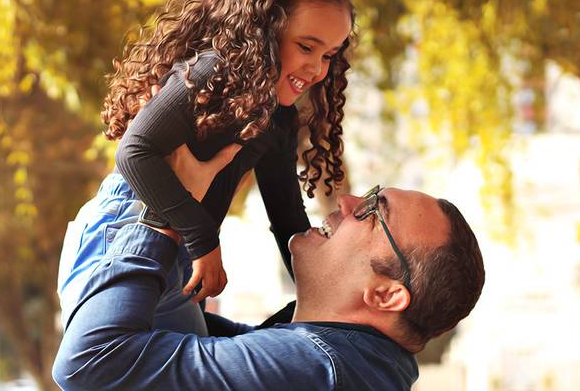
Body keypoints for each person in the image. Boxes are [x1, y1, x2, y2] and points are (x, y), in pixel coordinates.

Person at [57, 0, 354, 337]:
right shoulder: (210, 74)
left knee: (215, 355)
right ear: (265, 31)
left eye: (330, 55)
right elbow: (134, 153)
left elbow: (287, 218)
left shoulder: (277, 117)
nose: (317, 68)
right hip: (124, 230)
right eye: (307, 47)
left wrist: (329, 289)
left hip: (177, 246)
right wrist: (204, 243)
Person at [52, 144, 486, 391]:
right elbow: (167, 341)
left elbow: (89, 364)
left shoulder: (321, 371)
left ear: (386, 294)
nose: (350, 202)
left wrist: (162, 208)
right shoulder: (357, 366)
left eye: (374, 212)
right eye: (369, 194)